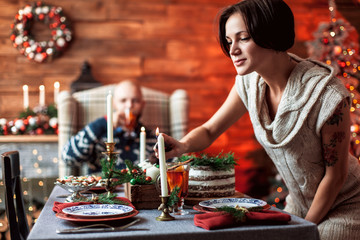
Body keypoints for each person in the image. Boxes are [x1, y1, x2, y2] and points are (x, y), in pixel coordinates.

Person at [155, 1, 360, 239]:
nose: (233, 50)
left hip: (347, 205)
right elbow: (210, 130)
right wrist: (183, 145)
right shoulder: (249, 82)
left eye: (243, 38)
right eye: (229, 41)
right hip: (301, 205)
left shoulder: (327, 94)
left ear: (271, 35)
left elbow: (335, 177)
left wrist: (303, 228)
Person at [62, 80, 157, 174]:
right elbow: (68, 158)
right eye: (123, 100)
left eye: (135, 100)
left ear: (143, 104)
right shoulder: (98, 133)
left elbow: (168, 168)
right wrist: (105, 122)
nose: (129, 105)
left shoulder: (152, 138)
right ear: (114, 104)